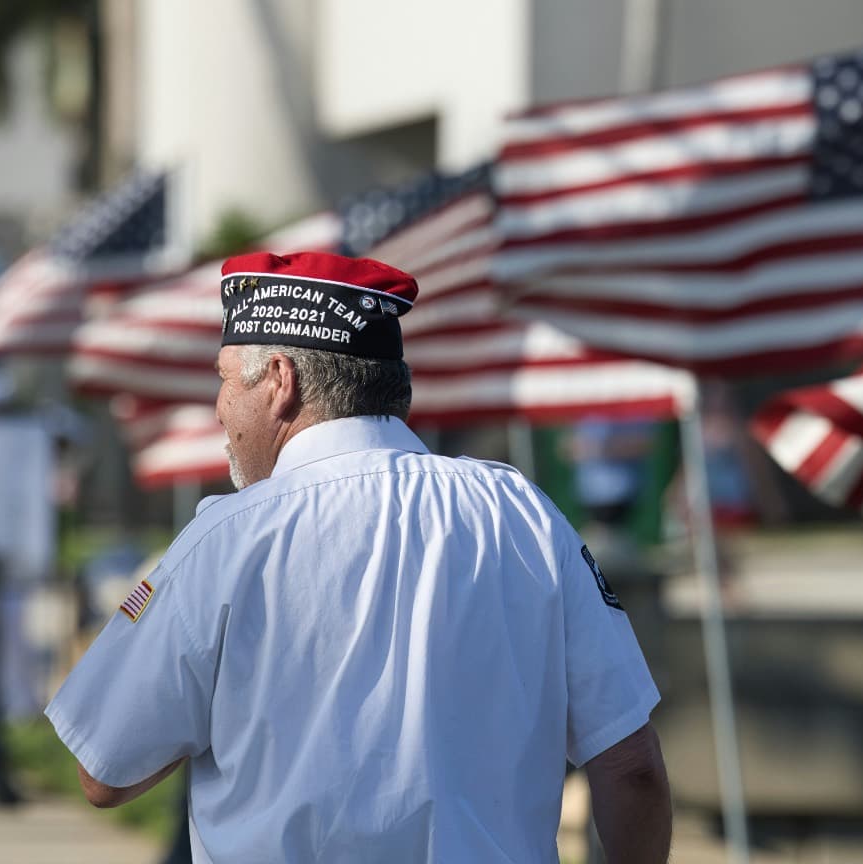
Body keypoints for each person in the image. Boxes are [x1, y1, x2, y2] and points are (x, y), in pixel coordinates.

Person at [44, 252, 672, 863]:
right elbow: (631, 766)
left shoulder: (224, 541)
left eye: (225, 379)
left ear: (280, 383)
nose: (218, 408)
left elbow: (105, 771)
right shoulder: (522, 513)